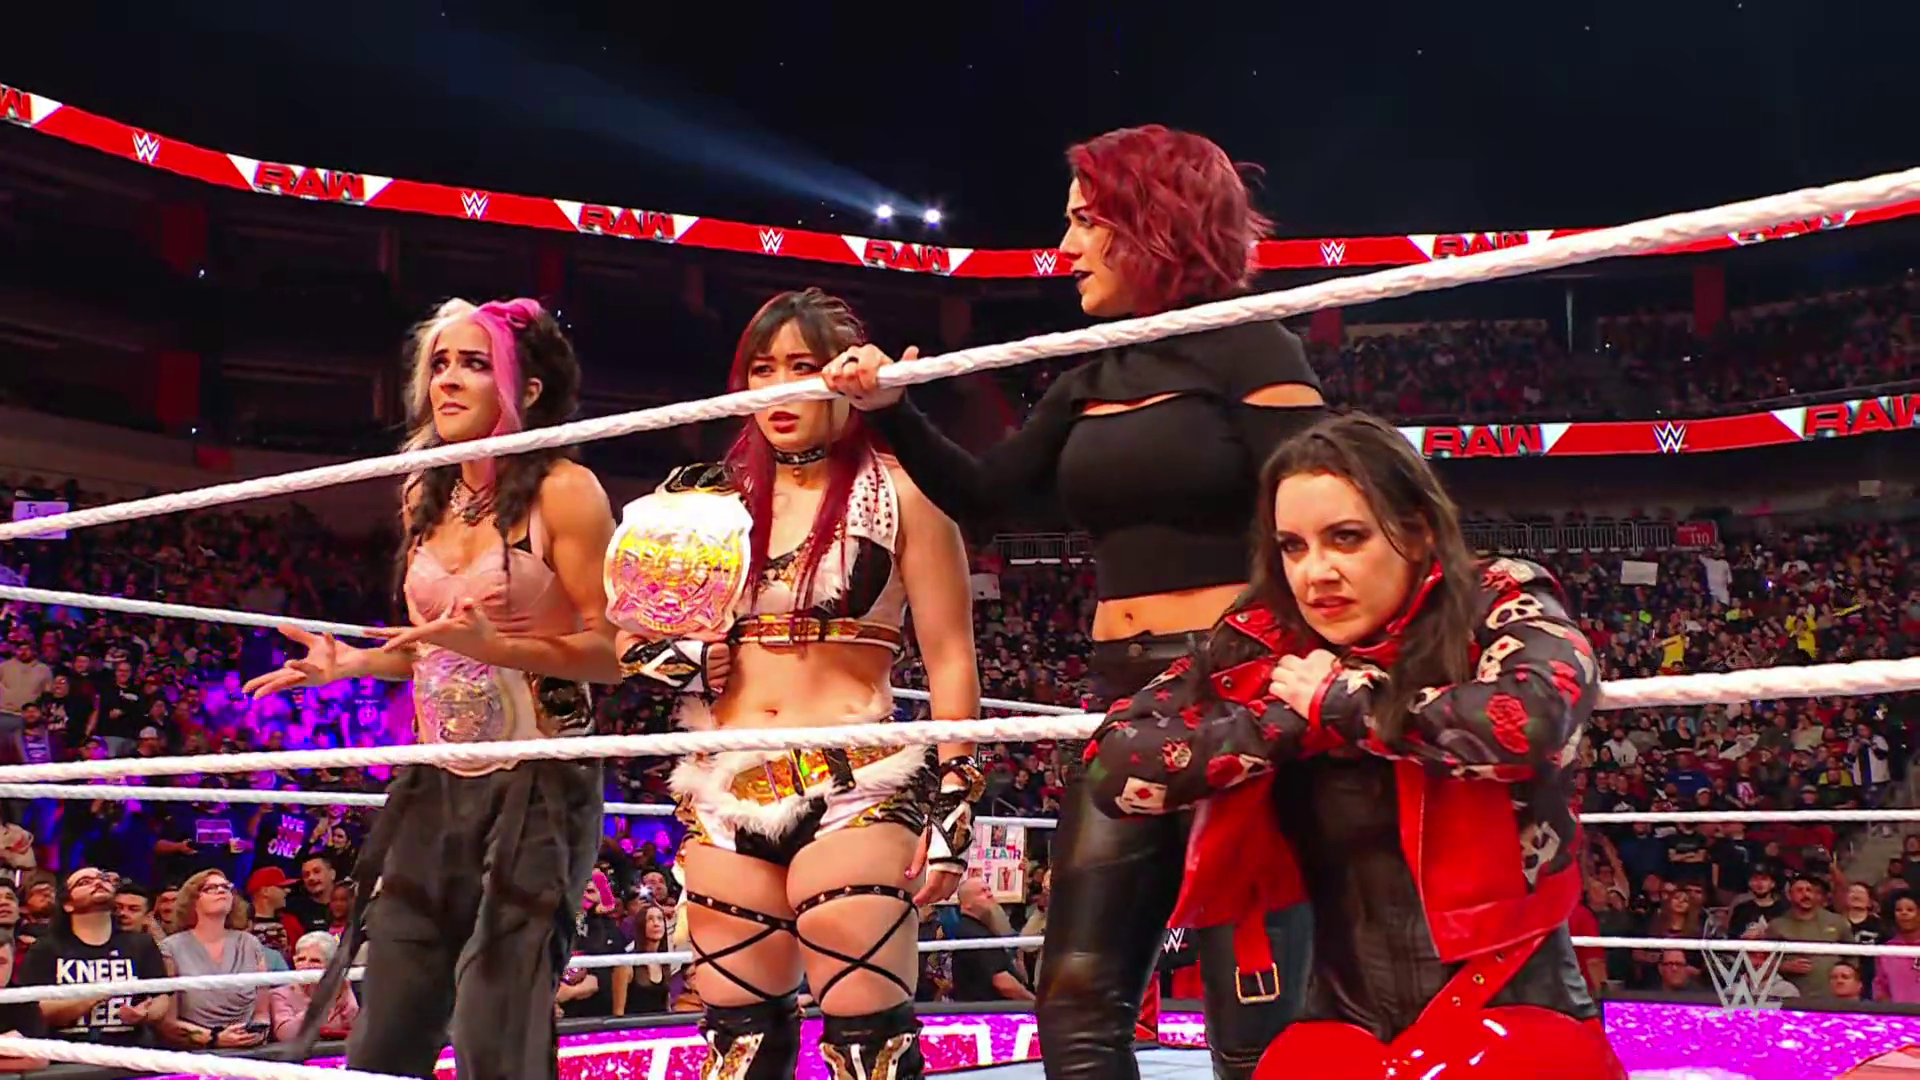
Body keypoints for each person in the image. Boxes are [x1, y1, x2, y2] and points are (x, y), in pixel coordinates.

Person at [824, 124, 1321, 1080]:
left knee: (1252, 1020)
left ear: (1154, 223)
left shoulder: (1253, 345)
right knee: (1078, 1002)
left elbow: (1321, 507)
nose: (1064, 248)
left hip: (1238, 692)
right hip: (1123, 699)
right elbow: (989, 496)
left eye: (1086, 222)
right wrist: (893, 410)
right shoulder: (1095, 370)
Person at [1084, 413, 1626, 1080]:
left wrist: (1345, 703)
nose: (1316, 573)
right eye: (1292, 546)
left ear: (1418, 531)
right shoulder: (1269, 638)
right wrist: (1289, 722)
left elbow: (1533, 718)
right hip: (1341, 1022)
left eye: (1346, 538)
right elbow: (1113, 765)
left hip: (1517, 1002)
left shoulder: (1496, 596)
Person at [244, 297, 617, 1079]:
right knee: (393, 1006)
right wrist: (351, 663)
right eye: (439, 363)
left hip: (541, 779)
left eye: (474, 365)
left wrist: (502, 648)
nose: (446, 381)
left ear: (528, 390)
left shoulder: (565, 490)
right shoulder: (425, 492)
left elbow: (616, 653)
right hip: (434, 778)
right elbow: (433, 652)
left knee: (495, 1014)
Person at [612, 288, 979, 1080]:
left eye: (801, 367)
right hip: (727, 784)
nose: (780, 387)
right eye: (762, 369)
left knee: (869, 1046)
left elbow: (951, 656)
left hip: (854, 781)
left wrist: (956, 807)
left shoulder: (905, 492)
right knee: (738, 1045)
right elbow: (631, 644)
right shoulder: (703, 501)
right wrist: (687, 659)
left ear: (844, 375)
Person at [16, 866, 171, 1047]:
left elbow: (161, 996)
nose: (98, 882)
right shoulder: (46, 948)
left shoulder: (141, 944)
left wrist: (145, 1014)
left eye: (103, 878)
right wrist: (94, 996)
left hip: (129, 1052)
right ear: (68, 904)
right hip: (68, 1054)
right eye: (85, 882)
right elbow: (36, 1010)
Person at [156, 869, 272, 1051]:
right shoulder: (171, 948)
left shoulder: (250, 943)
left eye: (226, 887)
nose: (221, 891)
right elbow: (167, 1023)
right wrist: (214, 1038)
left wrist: (257, 1033)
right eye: (211, 888)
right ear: (193, 900)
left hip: (249, 1050)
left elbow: (262, 1014)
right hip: (195, 1054)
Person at [269, 932, 360, 1043]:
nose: (306, 966)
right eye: (301, 959)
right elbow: (286, 1035)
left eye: (315, 961)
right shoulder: (279, 994)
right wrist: (319, 1004)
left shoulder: (340, 989)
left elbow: (355, 1026)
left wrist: (346, 993)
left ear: (331, 965)